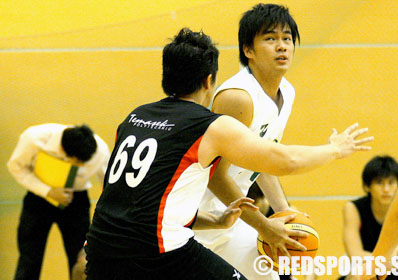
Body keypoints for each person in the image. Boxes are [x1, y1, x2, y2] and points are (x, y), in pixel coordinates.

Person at [84, 27, 372, 280]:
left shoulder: (135, 118)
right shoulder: (207, 125)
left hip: (99, 250)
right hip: (157, 253)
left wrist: (216, 221)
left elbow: (143, 203)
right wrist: (335, 149)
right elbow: (286, 160)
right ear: (209, 81)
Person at [193, 4, 306, 279]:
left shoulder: (286, 92)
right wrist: (264, 226)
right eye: (270, 39)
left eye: (287, 38)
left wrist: (284, 212)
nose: (282, 47)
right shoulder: (238, 97)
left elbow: (262, 159)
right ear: (248, 50)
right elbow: (214, 177)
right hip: (196, 221)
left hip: (233, 220)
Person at [7, 124, 110, 280]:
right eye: (77, 162)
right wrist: (47, 191)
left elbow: (108, 183)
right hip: (39, 198)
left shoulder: (100, 151)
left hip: (76, 201)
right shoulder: (34, 137)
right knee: (29, 258)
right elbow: (15, 166)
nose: (80, 166)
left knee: (80, 259)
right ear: (64, 151)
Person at [339, 155, 398, 280]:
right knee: (357, 275)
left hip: (394, 270)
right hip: (365, 268)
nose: (386, 189)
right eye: (379, 183)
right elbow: (355, 255)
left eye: (391, 183)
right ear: (367, 186)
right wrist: (387, 260)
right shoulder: (353, 208)